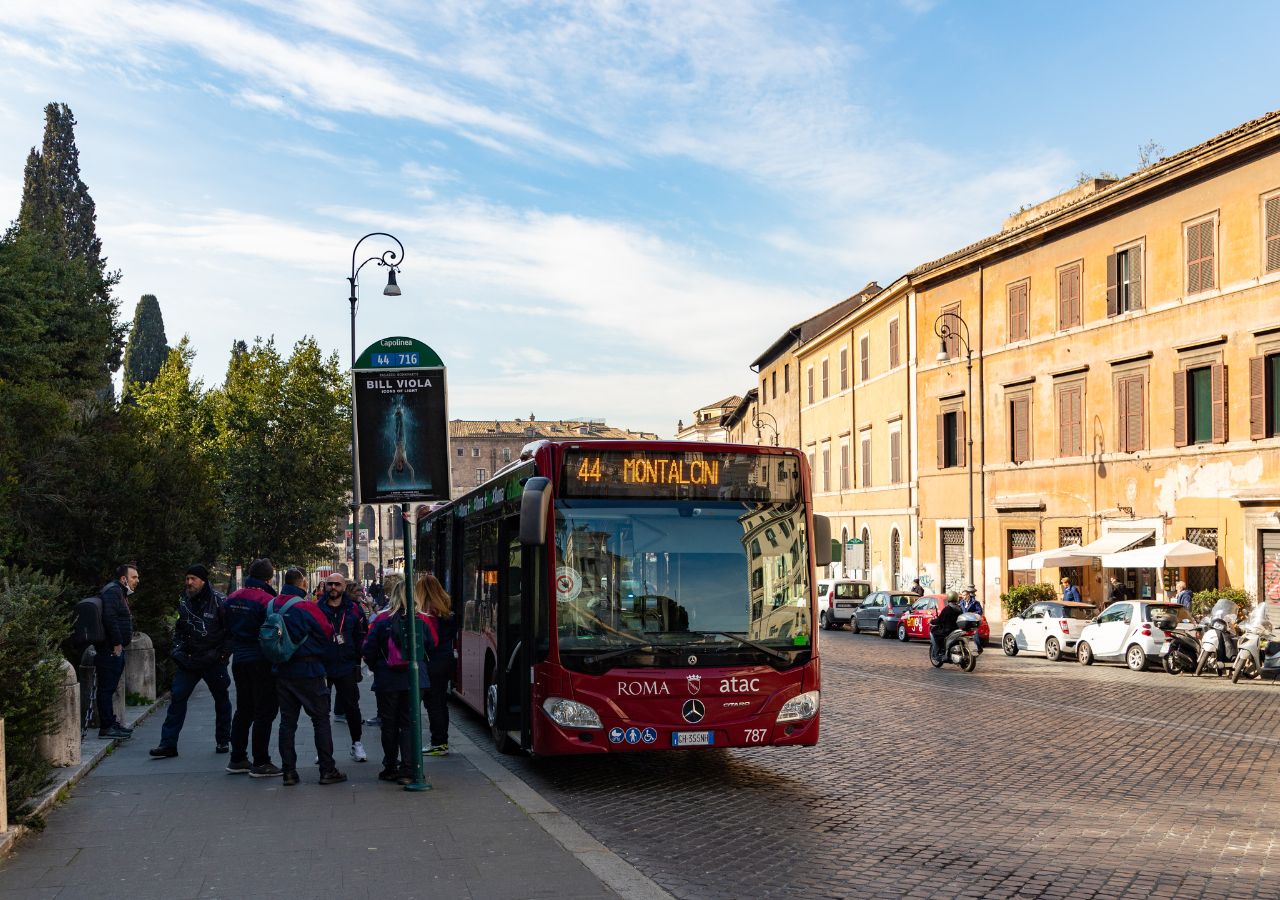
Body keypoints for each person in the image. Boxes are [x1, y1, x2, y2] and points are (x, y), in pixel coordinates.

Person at [268, 570, 345, 786]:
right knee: (320, 719)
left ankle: (289, 772)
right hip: (309, 669)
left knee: (287, 723)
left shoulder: (272, 605)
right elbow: (327, 632)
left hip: (282, 670)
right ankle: (327, 770)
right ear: (303, 583)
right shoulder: (306, 606)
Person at [150, 565, 231, 758]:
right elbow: (179, 628)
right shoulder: (184, 601)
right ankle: (168, 744)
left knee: (221, 700)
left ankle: (223, 740)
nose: (188, 582)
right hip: (189, 660)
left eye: (192, 578)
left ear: (203, 580)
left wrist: (222, 655)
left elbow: (230, 632)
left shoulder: (220, 601)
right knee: (177, 698)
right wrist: (177, 651)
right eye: (187, 578)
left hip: (213, 660)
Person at [364, 581, 432, 784]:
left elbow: (369, 649)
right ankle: (409, 768)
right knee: (410, 723)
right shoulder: (421, 619)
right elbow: (431, 645)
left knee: (389, 724)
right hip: (415, 680)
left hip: (388, 679)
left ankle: (390, 766)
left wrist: (378, 667)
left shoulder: (382, 619)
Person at [223, 558, 283, 777]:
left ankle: (237, 757)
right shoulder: (267, 600)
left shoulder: (232, 598)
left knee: (244, 709)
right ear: (268, 578)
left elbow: (225, 628)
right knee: (264, 711)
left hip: (239, 659)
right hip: (260, 659)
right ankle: (261, 761)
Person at [318, 572, 368, 763]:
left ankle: (357, 743)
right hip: (323, 665)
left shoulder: (354, 609)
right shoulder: (318, 608)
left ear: (343, 587)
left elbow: (362, 633)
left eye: (337, 584)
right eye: (330, 584)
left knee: (352, 707)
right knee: (322, 709)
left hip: (346, 664)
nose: (333, 588)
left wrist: (358, 656)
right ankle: (323, 749)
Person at [95, 564, 139, 740]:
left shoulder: (117, 591)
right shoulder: (113, 592)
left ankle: (111, 723)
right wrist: (117, 643)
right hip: (110, 649)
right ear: (123, 579)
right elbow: (110, 618)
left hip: (113, 647)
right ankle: (106, 727)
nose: (137, 580)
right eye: (134, 577)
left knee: (109, 688)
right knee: (106, 688)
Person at [420, 573, 458, 757]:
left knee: (433, 703)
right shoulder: (446, 610)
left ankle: (438, 742)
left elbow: (429, 641)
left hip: (432, 661)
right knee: (441, 702)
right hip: (446, 659)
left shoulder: (428, 613)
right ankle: (441, 741)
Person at [929, 591, 962, 664]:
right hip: (957, 629)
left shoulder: (947, 609)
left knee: (935, 634)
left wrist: (931, 621)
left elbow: (939, 620)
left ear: (949, 598)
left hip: (948, 630)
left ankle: (938, 652)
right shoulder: (959, 609)